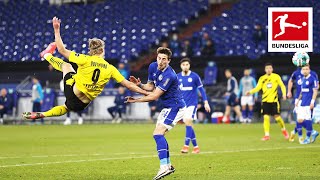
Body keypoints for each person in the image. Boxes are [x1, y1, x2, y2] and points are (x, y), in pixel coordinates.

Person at [22, 16, 149, 120]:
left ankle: (47, 55)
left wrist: (56, 30)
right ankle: (43, 114)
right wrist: (145, 92)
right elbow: (128, 85)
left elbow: (61, 49)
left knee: (67, 66)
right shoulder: (110, 68)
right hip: (83, 104)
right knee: (67, 108)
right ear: (102, 50)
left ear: (91, 51)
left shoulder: (85, 59)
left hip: (73, 93)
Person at [127, 47, 185, 180]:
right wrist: (140, 85)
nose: (160, 61)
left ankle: (164, 167)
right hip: (168, 107)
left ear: (169, 61)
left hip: (176, 107)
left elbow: (154, 96)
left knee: (157, 133)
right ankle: (168, 166)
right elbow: (150, 87)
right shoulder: (153, 66)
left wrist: (136, 100)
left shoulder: (169, 75)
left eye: (164, 59)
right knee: (159, 134)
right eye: (159, 58)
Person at [246, 63, 289, 141]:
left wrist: (284, 94)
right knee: (266, 117)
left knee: (277, 118)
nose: (268, 69)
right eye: (267, 68)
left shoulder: (276, 77)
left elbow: (282, 86)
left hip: (274, 101)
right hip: (265, 101)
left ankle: (284, 130)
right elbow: (258, 88)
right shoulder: (262, 78)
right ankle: (267, 135)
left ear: (272, 69)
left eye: (270, 68)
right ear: (265, 70)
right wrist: (250, 92)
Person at [177, 58, 211, 154]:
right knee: (189, 125)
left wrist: (206, 102)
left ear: (189, 65)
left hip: (192, 104)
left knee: (187, 121)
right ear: (181, 66)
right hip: (182, 105)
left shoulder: (195, 76)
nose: (185, 66)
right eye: (183, 64)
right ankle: (196, 147)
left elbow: (202, 90)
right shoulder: (177, 77)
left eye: (187, 64)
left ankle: (186, 146)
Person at [287, 67, 319, 142]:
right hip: (302, 102)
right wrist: (298, 100)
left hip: (308, 102)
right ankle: (312, 132)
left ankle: (307, 138)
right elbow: (302, 91)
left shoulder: (313, 78)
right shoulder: (303, 79)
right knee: (299, 119)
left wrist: (312, 102)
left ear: (309, 70)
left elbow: (315, 91)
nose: (305, 71)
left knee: (307, 119)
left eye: (306, 69)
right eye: (303, 69)